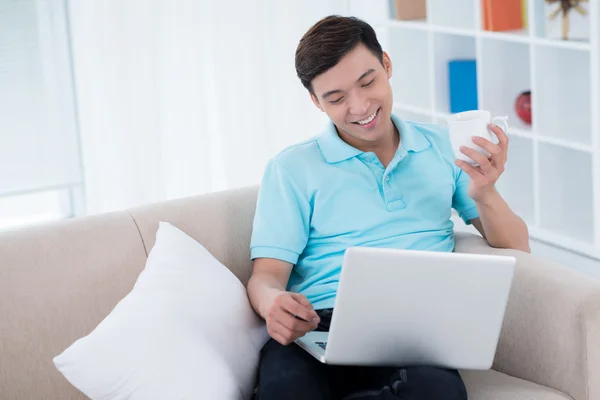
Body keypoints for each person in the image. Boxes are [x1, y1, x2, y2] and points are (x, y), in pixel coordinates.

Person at [246, 15, 530, 400]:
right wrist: (273, 302)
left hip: (416, 338)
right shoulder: (291, 169)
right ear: (315, 101)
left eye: (368, 83)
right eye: (336, 98)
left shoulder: (443, 149)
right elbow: (265, 276)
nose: (360, 106)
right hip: (315, 334)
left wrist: (486, 193)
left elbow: (517, 248)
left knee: (438, 394)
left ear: (387, 65)